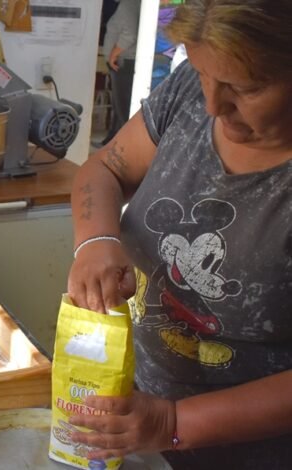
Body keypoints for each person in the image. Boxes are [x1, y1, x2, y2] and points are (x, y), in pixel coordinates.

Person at [66, 0, 292, 467]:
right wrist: (95, 241)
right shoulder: (191, 90)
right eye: (204, 73)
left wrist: (175, 423)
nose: (213, 105)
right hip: (142, 421)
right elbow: (106, 168)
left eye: (244, 88)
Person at [101, 0, 141, 145]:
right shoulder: (133, 4)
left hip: (123, 61)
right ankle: (112, 140)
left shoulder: (128, 4)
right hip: (125, 60)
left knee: (123, 107)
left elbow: (130, 34)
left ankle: (126, 146)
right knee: (118, 106)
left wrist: (114, 54)